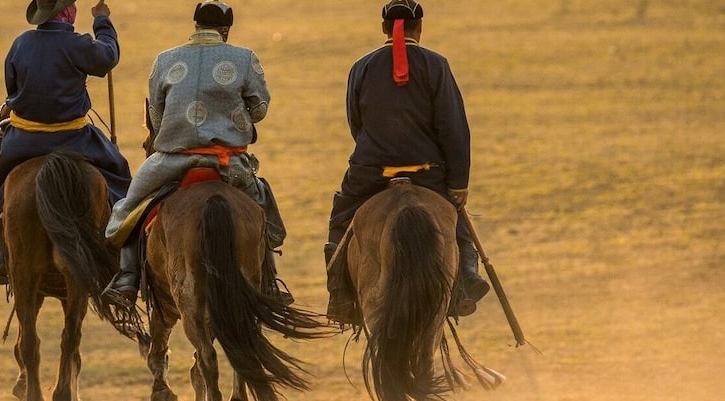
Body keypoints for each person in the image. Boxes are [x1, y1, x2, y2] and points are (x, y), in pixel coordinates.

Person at [101, 0, 292, 306]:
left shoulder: (164, 60)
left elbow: (158, 118)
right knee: (261, 208)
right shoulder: (244, 59)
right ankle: (269, 281)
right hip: (229, 163)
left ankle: (126, 277)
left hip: (172, 161)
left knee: (131, 208)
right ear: (225, 29)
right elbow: (260, 109)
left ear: (196, 27)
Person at [325, 0, 488, 325]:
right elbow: (453, 127)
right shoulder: (436, 65)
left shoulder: (361, 67)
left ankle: (340, 297)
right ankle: (463, 284)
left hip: (372, 171)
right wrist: (458, 184)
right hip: (428, 172)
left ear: (385, 28)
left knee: (341, 222)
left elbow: (355, 123)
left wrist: (377, 150)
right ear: (420, 27)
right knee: (458, 225)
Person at [0, 0, 132, 286]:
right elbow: (108, 57)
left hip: (24, 140)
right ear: (67, 13)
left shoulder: (20, 44)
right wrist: (102, 21)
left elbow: (12, 90)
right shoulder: (77, 44)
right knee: (119, 173)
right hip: (73, 138)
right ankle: (119, 254)